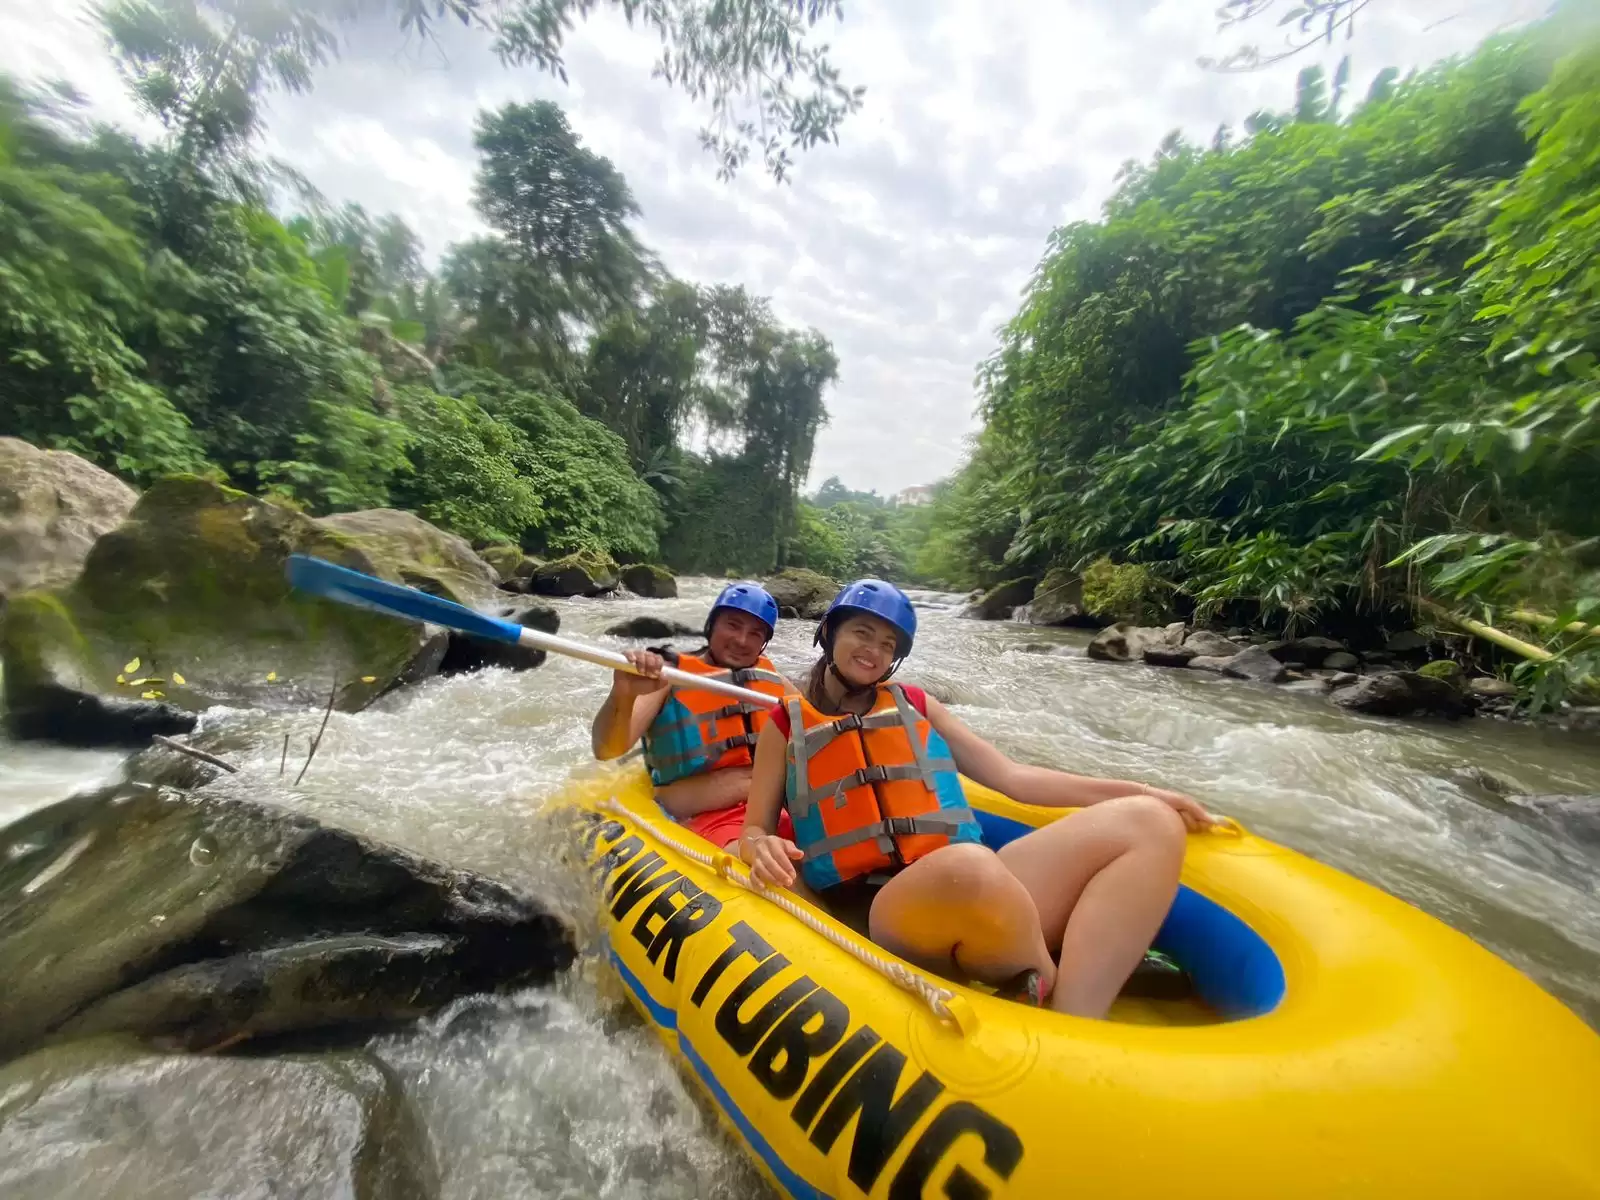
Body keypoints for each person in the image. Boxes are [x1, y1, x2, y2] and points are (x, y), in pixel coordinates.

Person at [737, 578, 1213, 1019]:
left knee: (1149, 822)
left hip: (978, 887)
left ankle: (1074, 1017)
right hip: (885, 911)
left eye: (888, 645)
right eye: (863, 633)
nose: (874, 651)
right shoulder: (785, 725)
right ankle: (1044, 975)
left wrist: (1144, 790)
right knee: (968, 865)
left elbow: (1014, 778)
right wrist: (762, 847)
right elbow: (754, 828)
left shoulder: (915, 705)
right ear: (829, 632)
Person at [591, 581, 797, 849]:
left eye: (756, 633)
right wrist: (623, 695)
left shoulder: (774, 682)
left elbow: (818, 731)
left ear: (764, 643)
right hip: (704, 819)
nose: (742, 640)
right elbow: (607, 750)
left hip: (768, 814)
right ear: (711, 625)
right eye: (733, 625)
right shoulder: (668, 676)